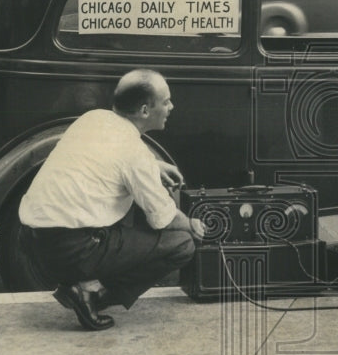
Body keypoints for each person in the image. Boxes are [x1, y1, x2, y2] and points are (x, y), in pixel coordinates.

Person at [19, 70, 204, 330]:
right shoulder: (134, 153)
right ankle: (91, 293)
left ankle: (83, 285)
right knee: (181, 243)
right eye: (165, 101)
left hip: (31, 239)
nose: (171, 107)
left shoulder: (94, 118)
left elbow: (105, 157)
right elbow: (163, 218)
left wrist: (154, 166)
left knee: (129, 204)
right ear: (144, 110)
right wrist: (193, 224)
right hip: (72, 249)